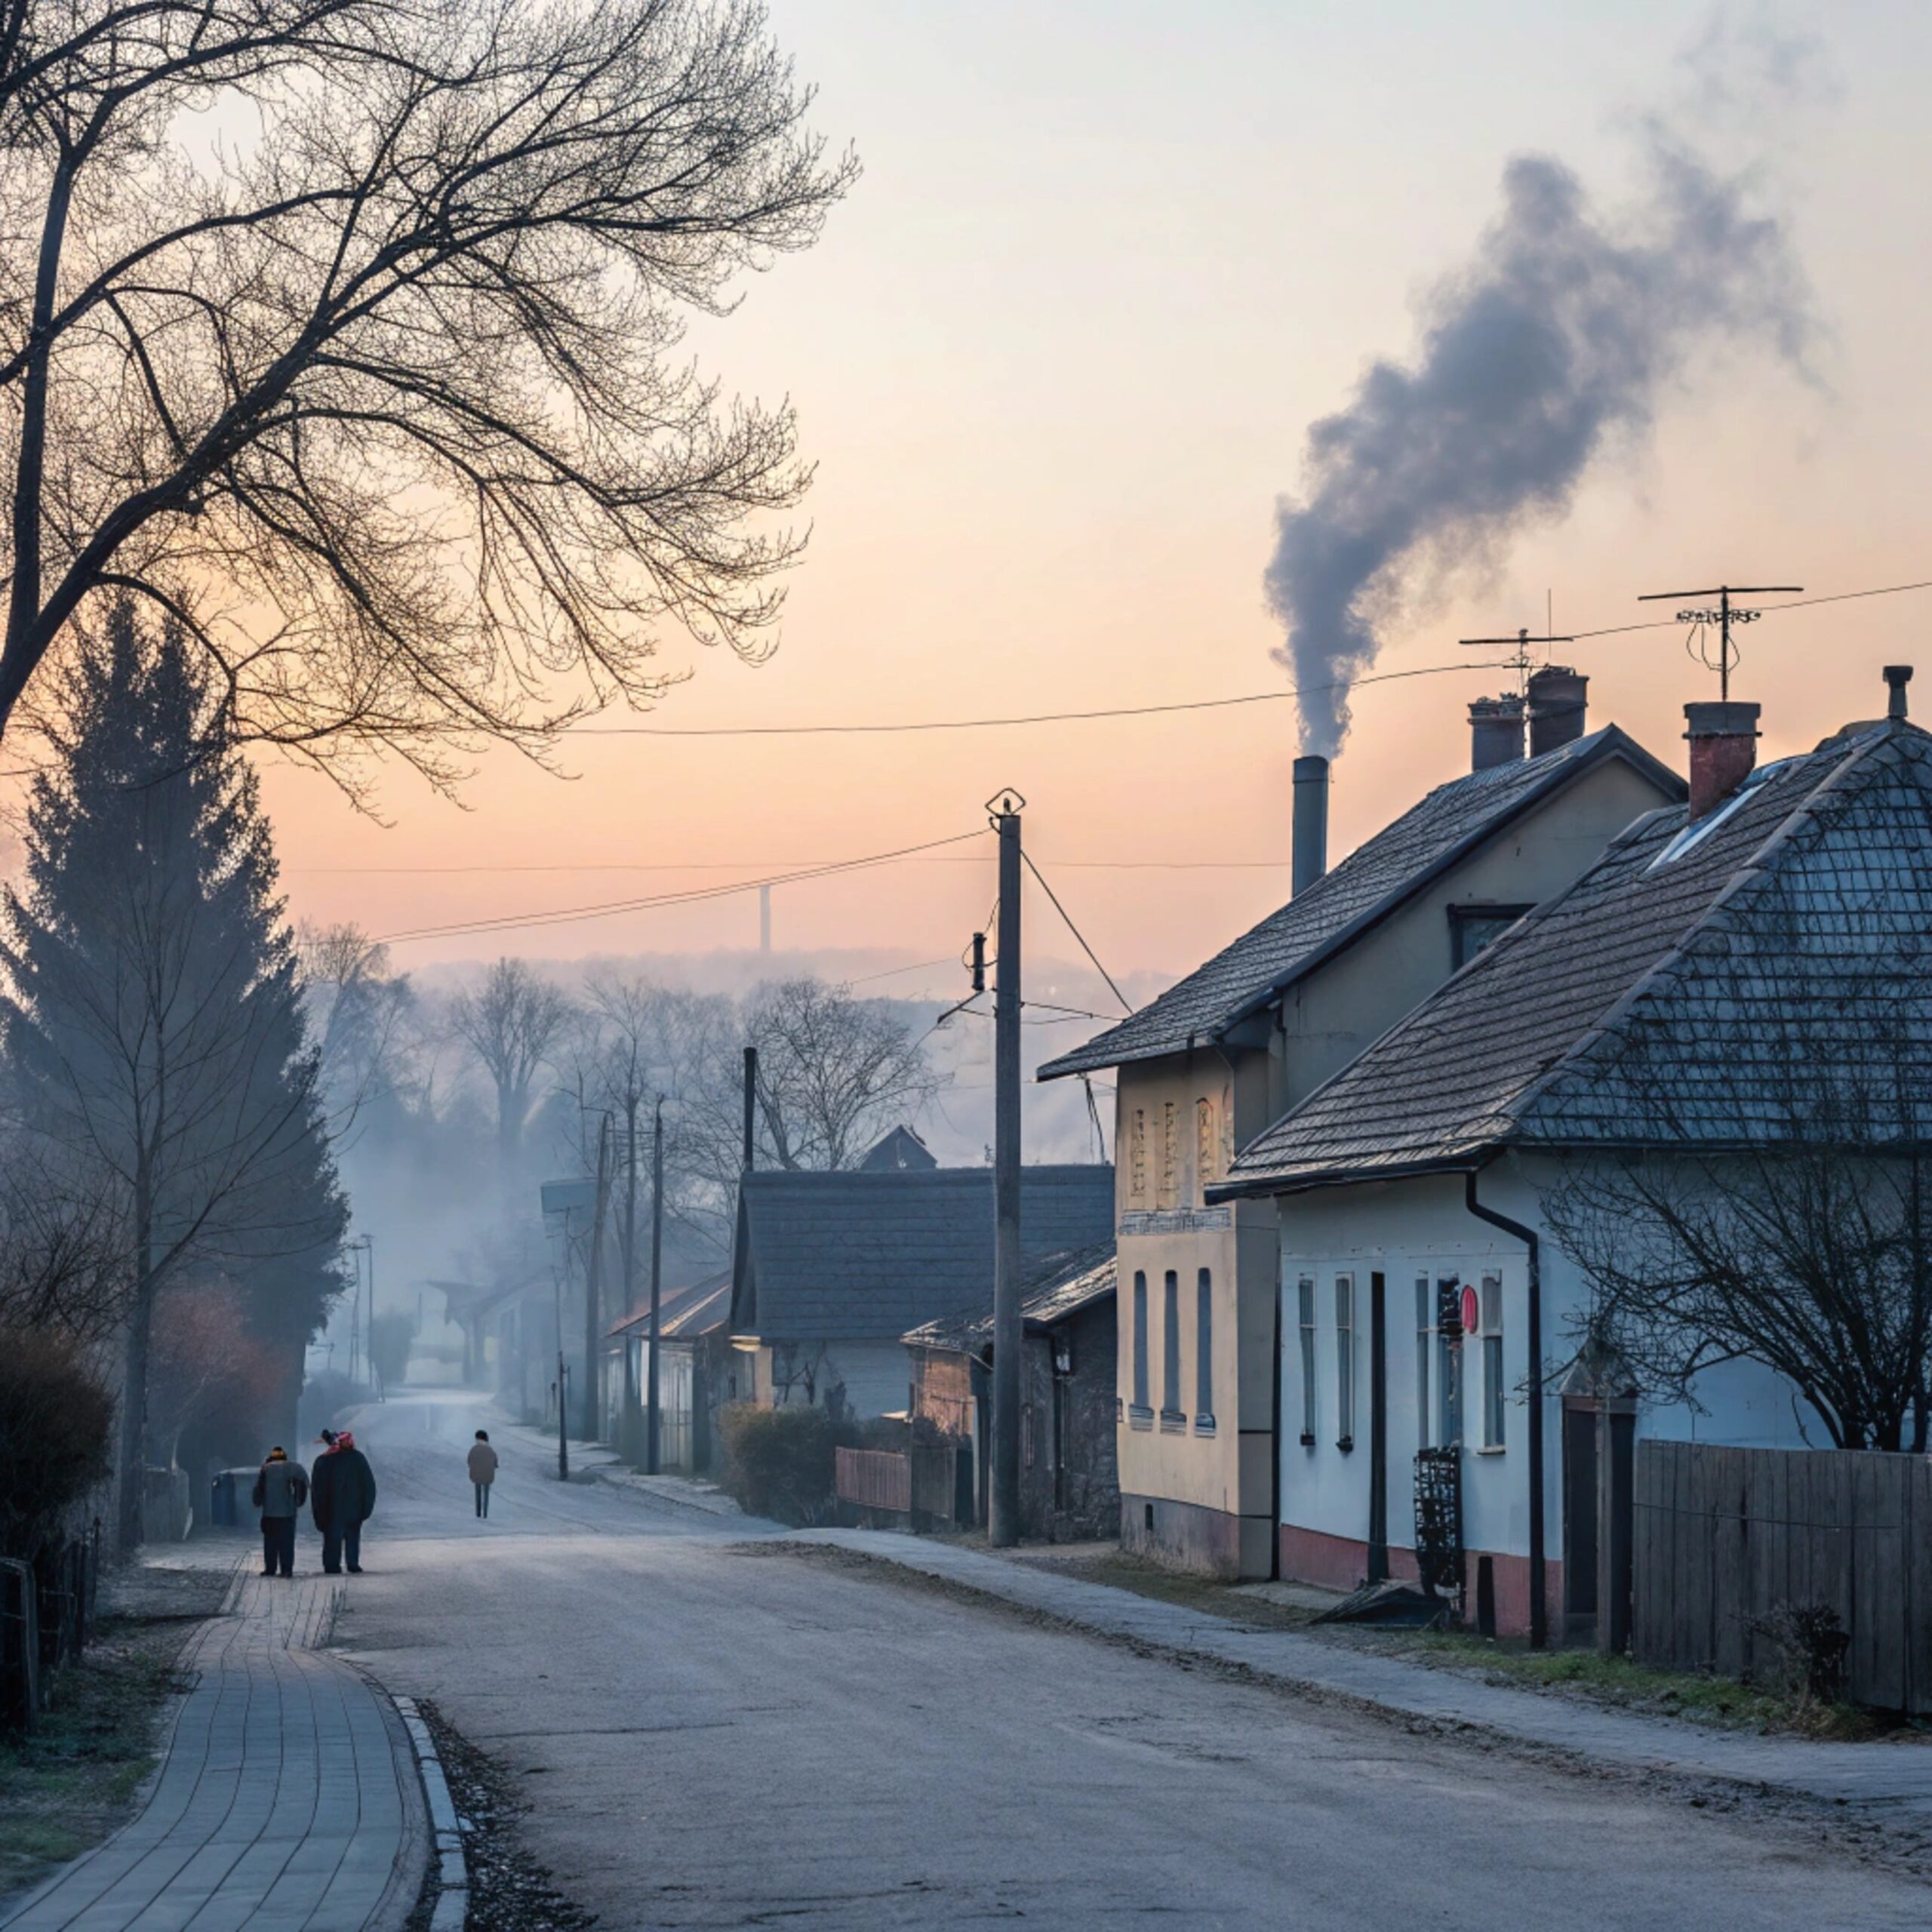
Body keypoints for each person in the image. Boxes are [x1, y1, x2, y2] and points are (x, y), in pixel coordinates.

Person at [310, 1426, 377, 1574]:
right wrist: (366, 1508)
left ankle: (332, 1565)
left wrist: (318, 1511)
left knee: (333, 1538)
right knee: (352, 1537)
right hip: (352, 1509)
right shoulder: (358, 1459)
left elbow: (317, 1489)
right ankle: (352, 1563)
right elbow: (369, 1485)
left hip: (332, 1510)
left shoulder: (324, 1461)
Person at [251, 1447, 308, 1577]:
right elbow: (301, 1486)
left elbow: (259, 1489)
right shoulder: (293, 1468)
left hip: (269, 1513)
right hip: (288, 1513)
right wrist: (298, 1502)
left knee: (270, 1543)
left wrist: (257, 1502)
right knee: (287, 1543)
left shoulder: (265, 1469)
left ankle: (270, 1569)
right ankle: (286, 1570)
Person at [467, 1429, 499, 1518]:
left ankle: (478, 1513)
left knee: (478, 1492)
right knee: (486, 1493)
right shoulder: (491, 1450)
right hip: (488, 1475)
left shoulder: (474, 1449)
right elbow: (496, 1463)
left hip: (476, 1475)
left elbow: (469, 1461)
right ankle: (485, 1514)